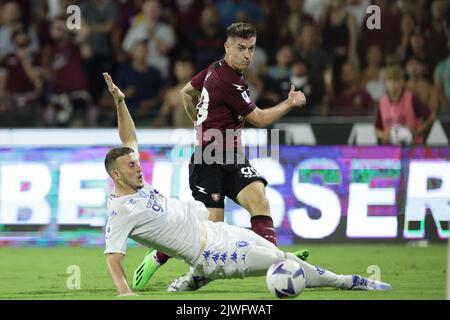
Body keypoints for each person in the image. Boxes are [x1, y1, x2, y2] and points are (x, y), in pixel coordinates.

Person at [102, 71, 392, 296]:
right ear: (116, 175)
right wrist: (125, 293)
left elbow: (129, 139)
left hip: (216, 231)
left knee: (274, 251)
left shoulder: (132, 178)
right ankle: (346, 282)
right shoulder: (120, 212)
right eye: (132, 166)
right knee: (285, 263)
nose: (140, 168)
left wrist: (120, 102)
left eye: (137, 162)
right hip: (215, 255)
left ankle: (324, 275)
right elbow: (114, 259)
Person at [132, 22, 309, 290]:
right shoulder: (226, 79)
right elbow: (259, 119)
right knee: (210, 230)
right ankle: (159, 256)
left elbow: (186, 92)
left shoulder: (219, 69)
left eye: (251, 48)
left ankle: (275, 260)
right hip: (208, 160)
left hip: (232, 156)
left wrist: (198, 122)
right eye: (241, 48)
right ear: (228, 47)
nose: (247, 54)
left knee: (258, 199)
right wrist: (289, 103)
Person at [375, 65, 435, 144]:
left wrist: (416, 132)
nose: (393, 84)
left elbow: (431, 117)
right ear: (385, 83)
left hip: (413, 147)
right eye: (389, 80)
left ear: (402, 82)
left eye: (396, 80)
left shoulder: (411, 98)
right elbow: (377, 129)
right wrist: (385, 135)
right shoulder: (382, 102)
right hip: (391, 149)